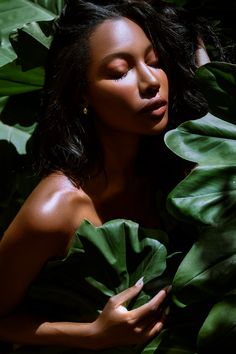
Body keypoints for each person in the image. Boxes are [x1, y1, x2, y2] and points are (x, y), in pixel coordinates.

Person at [0, 0, 221, 352]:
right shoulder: (55, 209)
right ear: (81, 94)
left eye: (154, 62)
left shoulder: (171, 173)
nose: (151, 81)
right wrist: (92, 335)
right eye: (119, 71)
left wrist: (207, 76)